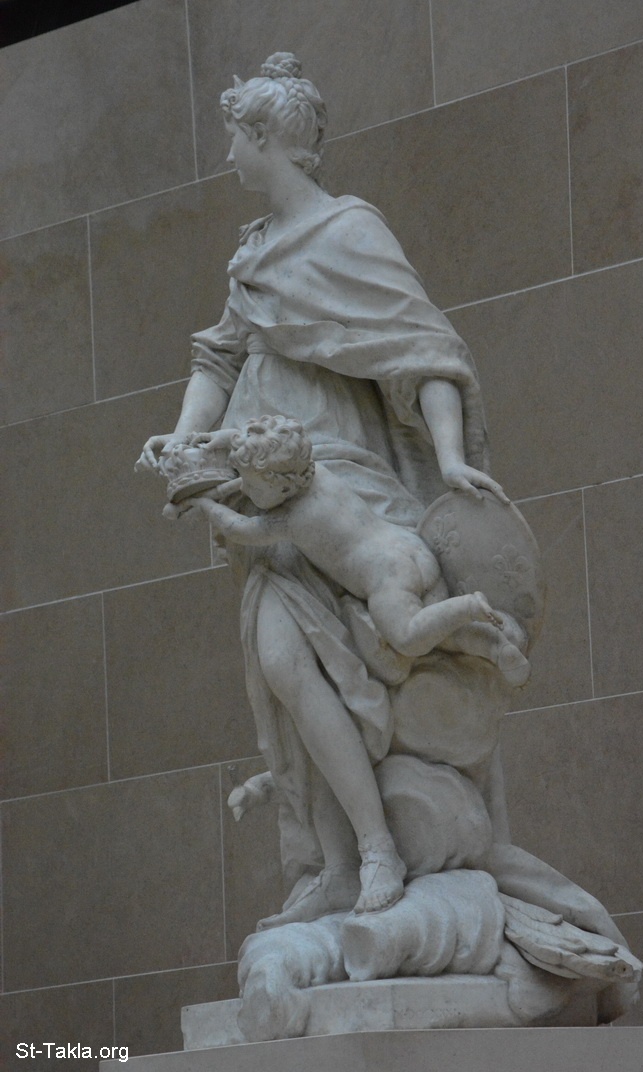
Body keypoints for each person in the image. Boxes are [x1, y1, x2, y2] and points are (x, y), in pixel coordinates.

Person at [138, 52, 510, 925]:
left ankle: (379, 849)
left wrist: (450, 458)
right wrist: (184, 442)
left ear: (266, 139)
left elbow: (426, 350)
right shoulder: (252, 252)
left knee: (345, 661)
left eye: (234, 137)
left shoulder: (351, 232)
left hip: (342, 482)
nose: (227, 154)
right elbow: (218, 358)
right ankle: (343, 859)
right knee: (280, 667)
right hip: (259, 483)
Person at [181, 415, 530, 680]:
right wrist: (226, 441)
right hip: (411, 548)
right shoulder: (318, 472)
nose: (245, 491)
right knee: (440, 634)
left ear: (282, 487)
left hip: (386, 578)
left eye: (252, 488)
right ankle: (496, 647)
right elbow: (266, 448)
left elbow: (238, 528)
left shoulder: (290, 520)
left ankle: (468, 606)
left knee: (408, 638)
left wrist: (202, 503)